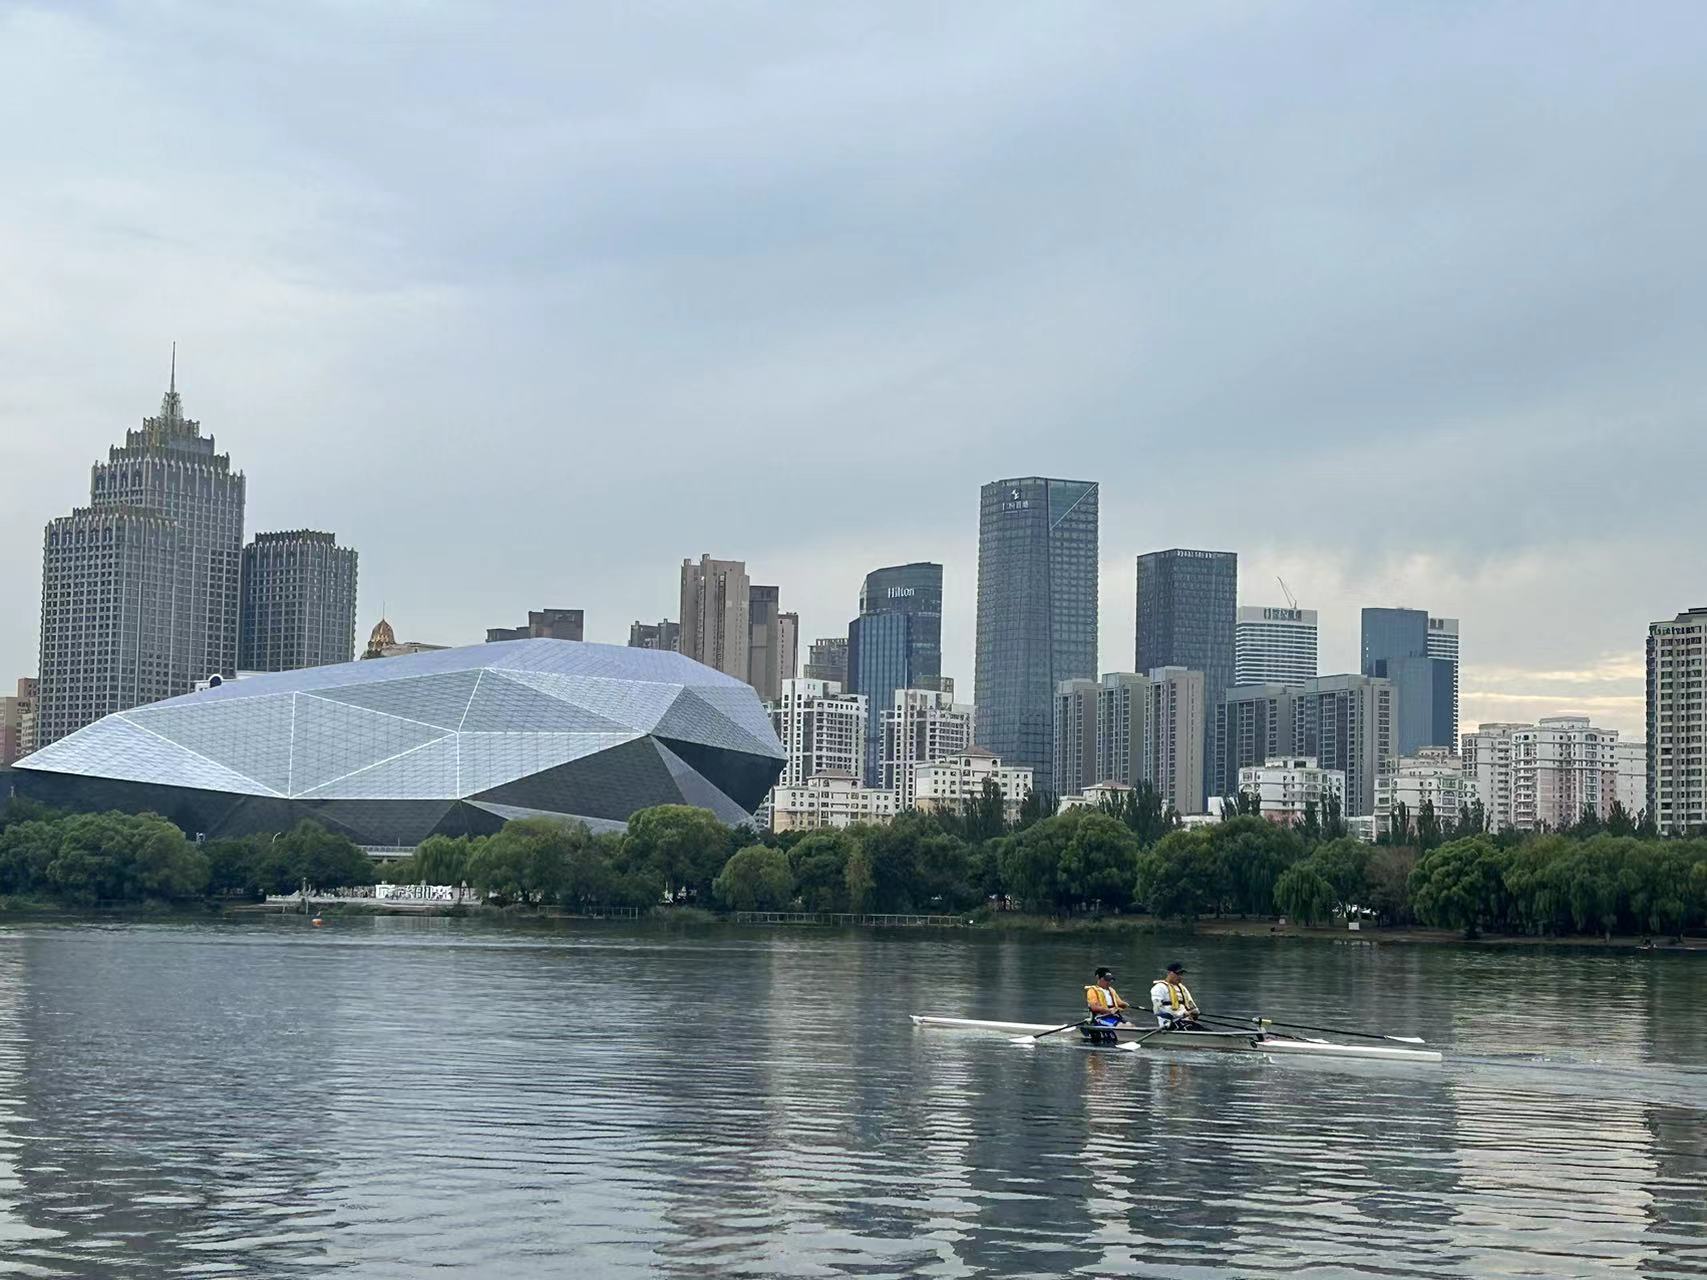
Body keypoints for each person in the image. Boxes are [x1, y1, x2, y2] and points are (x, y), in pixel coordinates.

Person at [1150, 962, 1203, 1029]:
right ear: (1169, 973)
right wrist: (1181, 1014)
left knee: (1203, 1029)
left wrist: (1195, 1012)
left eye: (1181, 974)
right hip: (1169, 1024)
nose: (1180, 976)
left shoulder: (1182, 988)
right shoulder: (1159, 987)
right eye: (1177, 974)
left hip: (1186, 1022)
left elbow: (1191, 1005)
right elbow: (1157, 1010)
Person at [1083, 967, 1128, 1043]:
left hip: (1114, 1016)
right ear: (1098, 978)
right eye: (1106, 979)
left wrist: (1125, 1005)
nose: (1109, 982)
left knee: (1129, 1025)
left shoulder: (1112, 990)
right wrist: (1109, 1011)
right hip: (1100, 1017)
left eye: (1110, 979)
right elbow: (1094, 1007)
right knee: (1122, 1026)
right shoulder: (1092, 991)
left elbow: (1119, 1003)